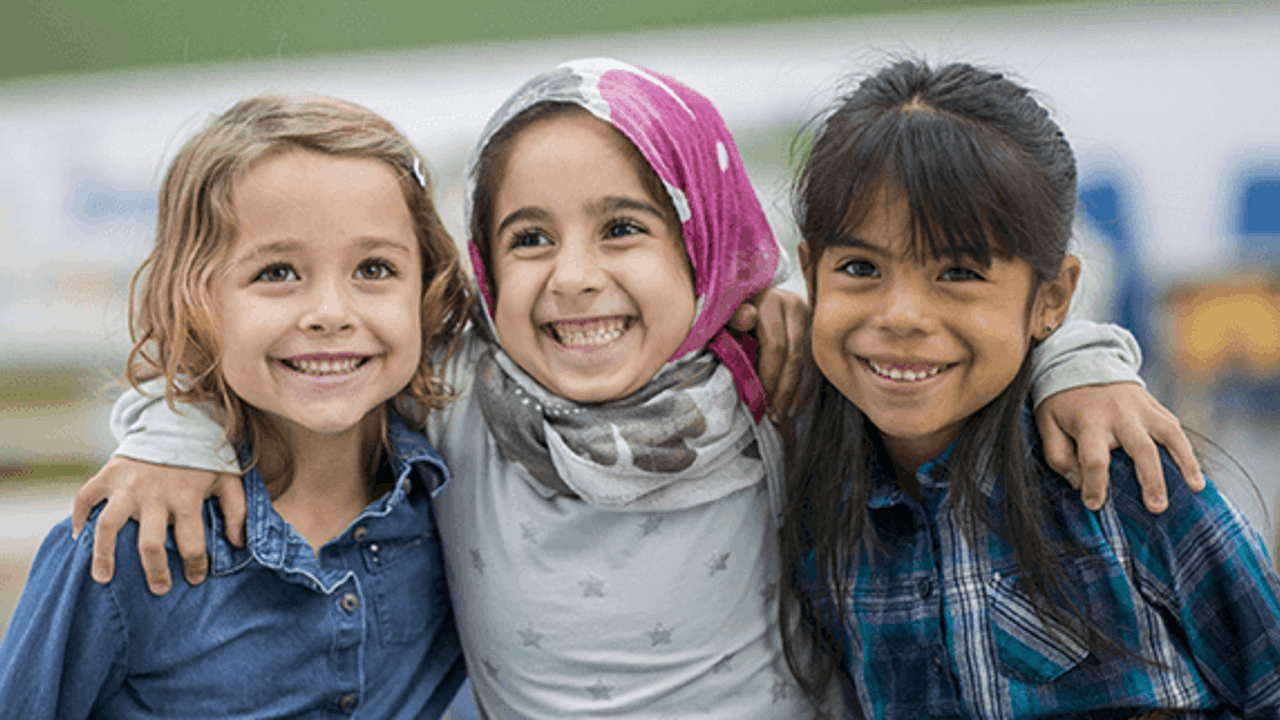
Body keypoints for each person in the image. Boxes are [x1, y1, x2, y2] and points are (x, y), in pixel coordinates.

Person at [76, 59, 1197, 718]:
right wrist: (170, 429)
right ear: (477, 263)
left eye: (624, 228)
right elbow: (305, 362)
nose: (575, 278)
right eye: (526, 239)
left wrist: (1073, 360)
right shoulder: (453, 393)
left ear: (704, 248)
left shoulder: (779, 378)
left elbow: (947, 341)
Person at [778, 58, 1280, 718]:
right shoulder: (812, 492)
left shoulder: (1120, 472)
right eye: (860, 267)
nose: (901, 315)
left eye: (958, 272)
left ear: (1053, 298)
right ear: (812, 274)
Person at [0, 96, 472, 717]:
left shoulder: (458, 497)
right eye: (277, 273)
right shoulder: (128, 542)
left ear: (427, 288)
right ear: (193, 300)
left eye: (375, 268)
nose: (330, 312)